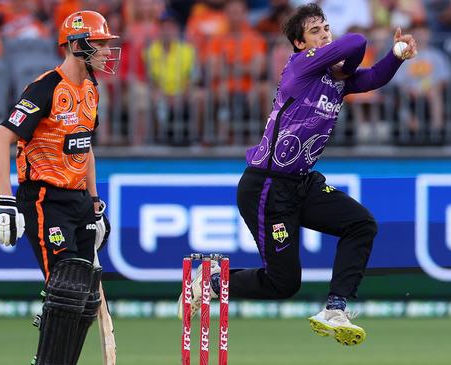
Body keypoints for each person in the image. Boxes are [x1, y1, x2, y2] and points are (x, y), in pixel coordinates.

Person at [178, 3, 417, 346]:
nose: (325, 34)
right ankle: (212, 282)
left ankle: (335, 308)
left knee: (361, 224)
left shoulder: (337, 81)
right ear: (300, 44)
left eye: (326, 28)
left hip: (302, 183)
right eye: (316, 31)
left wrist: (397, 54)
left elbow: (376, 76)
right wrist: (345, 69)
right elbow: (355, 42)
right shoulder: (299, 68)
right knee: (283, 284)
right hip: (266, 185)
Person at [0, 10, 117, 365]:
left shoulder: (91, 89)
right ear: (77, 45)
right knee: (66, 288)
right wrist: (4, 201)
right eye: (100, 44)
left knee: (86, 299)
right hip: (45, 198)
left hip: (78, 200)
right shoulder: (46, 87)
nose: (106, 52)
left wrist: (95, 202)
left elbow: (86, 146)